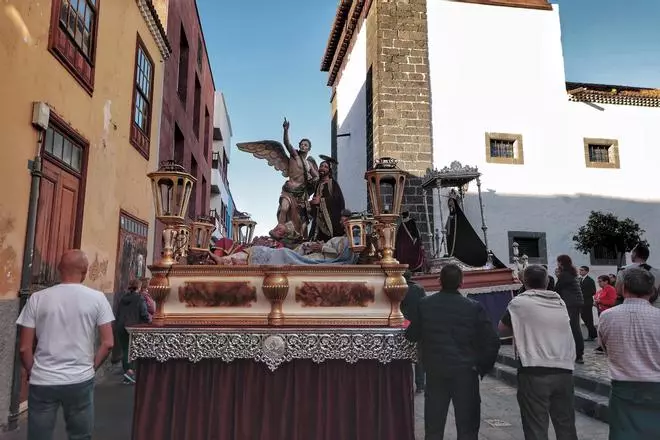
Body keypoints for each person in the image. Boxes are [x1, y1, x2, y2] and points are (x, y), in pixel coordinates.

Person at [16, 249, 115, 440]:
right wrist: (91, 367)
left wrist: (32, 370)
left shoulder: (37, 298)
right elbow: (108, 343)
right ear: (85, 272)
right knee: (80, 435)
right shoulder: (98, 298)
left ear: (60, 269)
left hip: (43, 380)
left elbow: (24, 347)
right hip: (80, 380)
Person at [406, 264, 500, 439]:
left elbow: (412, 335)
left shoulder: (425, 305)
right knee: (467, 428)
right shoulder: (473, 307)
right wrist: (481, 367)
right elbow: (492, 341)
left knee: (434, 427)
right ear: (461, 283)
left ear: (439, 281)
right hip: (465, 373)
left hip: (436, 372)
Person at [498, 265, 578, 440]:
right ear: (547, 281)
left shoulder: (519, 303)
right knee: (566, 424)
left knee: (536, 426)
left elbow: (502, 330)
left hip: (534, 370)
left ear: (523, 281)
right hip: (564, 370)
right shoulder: (559, 301)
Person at [598, 267, 660, 440]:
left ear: (623, 288)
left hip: (623, 388)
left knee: (623, 434)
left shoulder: (607, 317)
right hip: (656, 388)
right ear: (651, 290)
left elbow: (605, 348)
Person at [115, 279, 151, 384]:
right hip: (133, 326)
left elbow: (118, 312)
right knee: (133, 350)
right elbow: (144, 313)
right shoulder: (140, 298)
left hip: (121, 326)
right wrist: (148, 322)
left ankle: (127, 373)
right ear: (139, 287)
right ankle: (130, 372)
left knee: (125, 349)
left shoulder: (123, 298)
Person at [554, 255, 585, 364]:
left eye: (558, 262)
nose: (557, 264)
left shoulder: (565, 275)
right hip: (574, 303)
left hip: (571, 304)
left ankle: (579, 354)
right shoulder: (570, 273)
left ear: (561, 263)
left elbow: (557, 289)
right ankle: (575, 352)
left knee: (574, 328)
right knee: (572, 328)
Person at [400, 270, 426, 393]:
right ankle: (420, 385)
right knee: (418, 356)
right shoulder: (419, 288)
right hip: (418, 324)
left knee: (403, 355)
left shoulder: (399, 289)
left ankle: (405, 384)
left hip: (404, 324)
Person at [309, 157, 346, 242]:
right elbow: (315, 201)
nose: (322, 168)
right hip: (318, 222)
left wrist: (321, 201)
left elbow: (338, 199)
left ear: (329, 171)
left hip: (331, 221)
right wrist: (311, 203)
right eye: (321, 166)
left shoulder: (332, 183)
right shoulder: (318, 185)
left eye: (325, 167)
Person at [593, 275, 617, 353]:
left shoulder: (611, 289)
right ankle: (602, 345)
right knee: (601, 329)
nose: (599, 283)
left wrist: (600, 301)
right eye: (598, 281)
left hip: (608, 312)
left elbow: (612, 302)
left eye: (600, 281)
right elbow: (596, 298)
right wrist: (596, 302)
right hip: (601, 311)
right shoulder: (600, 290)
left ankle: (608, 346)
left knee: (607, 330)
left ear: (606, 281)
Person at [578, 266, 598, 341]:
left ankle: (592, 335)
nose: (580, 271)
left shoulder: (590, 280)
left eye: (582, 270)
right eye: (580, 270)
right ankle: (593, 334)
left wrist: (582, 294)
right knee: (585, 319)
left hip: (587, 302)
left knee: (589, 319)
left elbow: (593, 291)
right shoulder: (579, 279)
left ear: (586, 271)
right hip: (582, 303)